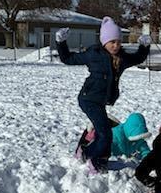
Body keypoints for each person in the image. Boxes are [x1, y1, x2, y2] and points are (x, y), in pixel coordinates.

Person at [56, 18, 150, 173]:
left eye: (118, 42)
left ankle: (86, 153)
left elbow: (138, 58)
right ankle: (94, 159)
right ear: (104, 41)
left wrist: (144, 46)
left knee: (104, 132)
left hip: (99, 102)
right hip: (88, 99)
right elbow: (68, 59)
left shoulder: (121, 58)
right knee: (105, 133)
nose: (115, 45)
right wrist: (61, 42)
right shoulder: (94, 54)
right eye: (112, 42)